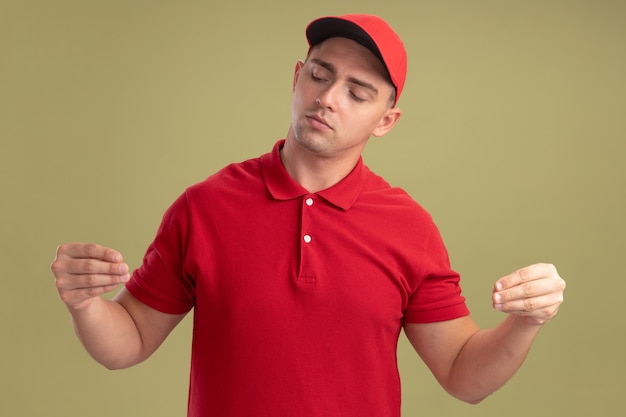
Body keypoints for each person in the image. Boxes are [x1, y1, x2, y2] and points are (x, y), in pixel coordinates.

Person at [51, 14, 566, 417]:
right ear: (298, 77)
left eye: (357, 92)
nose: (327, 99)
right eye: (320, 75)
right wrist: (84, 305)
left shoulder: (408, 226)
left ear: (386, 120)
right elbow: (130, 341)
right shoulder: (205, 206)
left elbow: (461, 374)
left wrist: (525, 323)